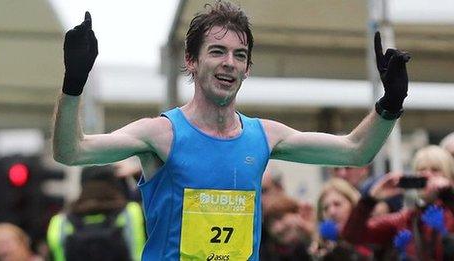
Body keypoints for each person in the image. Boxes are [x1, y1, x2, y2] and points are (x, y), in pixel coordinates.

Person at [52, 1, 410, 259]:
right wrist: (74, 84)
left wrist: (390, 103)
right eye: (217, 51)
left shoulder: (265, 136)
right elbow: (72, 151)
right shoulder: (160, 133)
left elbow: (355, 151)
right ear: (191, 60)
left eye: (239, 55)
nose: (229, 63)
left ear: (248, 67)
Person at [342, 145, 454, 260]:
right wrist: (369, 200)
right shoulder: (405, 219)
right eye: (421, 170)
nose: (427, 174)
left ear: (449, 177)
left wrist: (448, 195)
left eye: (435, 170)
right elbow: (352, 236)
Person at [46, 166, 145, 261]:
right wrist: (140, 176)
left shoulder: (60, 222)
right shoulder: (131, 212)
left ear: (82, 185)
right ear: (114, 184)